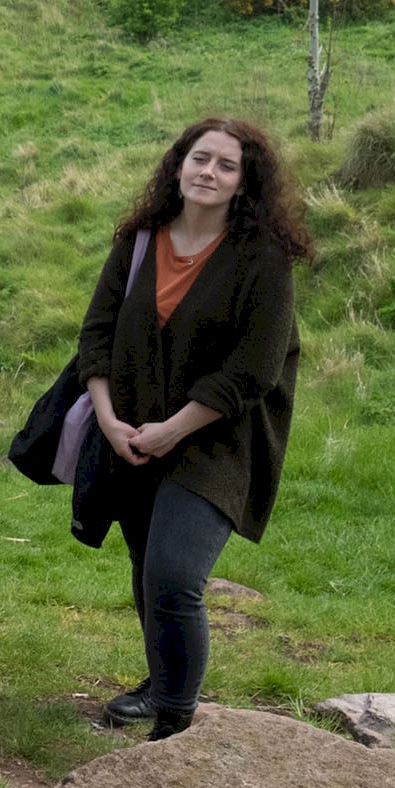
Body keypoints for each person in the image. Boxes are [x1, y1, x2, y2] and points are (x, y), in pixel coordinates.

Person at [78, 117, 306, 741]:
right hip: (131, 431)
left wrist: (173, 430)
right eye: (199, 158)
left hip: (217, 440)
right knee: (148, 566)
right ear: (178, 165)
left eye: (226, 165)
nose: (209, 172)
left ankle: (176, 728)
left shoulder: (263, 259)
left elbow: (254, 370)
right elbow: (95, 333)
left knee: (176, 574)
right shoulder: (140, 239)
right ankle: (161, 683)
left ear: (244, 182)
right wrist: (108, 418)